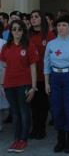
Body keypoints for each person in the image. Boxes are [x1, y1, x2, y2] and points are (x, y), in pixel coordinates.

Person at [44, 15, 69, 153]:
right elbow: (46, 65)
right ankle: (60, 140)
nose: (61, 28)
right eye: (59, 25)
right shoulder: (51, 44)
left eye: (64, 25)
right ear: (56, 27)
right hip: (55, 77)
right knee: (57, 108)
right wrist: (46, 83)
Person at [0, 20, 39, 153]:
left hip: (24, 84)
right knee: (15, 113)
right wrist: (2, 84)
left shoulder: (29, 46)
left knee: (24, 111)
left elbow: (33, 67)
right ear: (10, 31)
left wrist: (33, 87)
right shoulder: (6, 47)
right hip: (9, 84)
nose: (17, 32)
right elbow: (4, 67)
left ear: (24, 31)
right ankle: (16, 139)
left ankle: (23, 139)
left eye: (20, 29)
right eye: (14, 29)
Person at [29, 10, 56, 140]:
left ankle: (41, 129)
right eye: (31, 17)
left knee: (43, 104)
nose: (33, 19)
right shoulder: (27, 35)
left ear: (42, 19)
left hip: (44, 75)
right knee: (33, 105)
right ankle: (35, 127)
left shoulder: (49, 35)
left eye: (36, 17)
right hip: (30, 76)